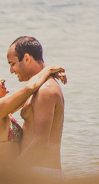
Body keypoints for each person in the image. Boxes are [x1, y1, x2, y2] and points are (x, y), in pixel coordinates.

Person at [0, 62, 64, 172]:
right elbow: (30, 88)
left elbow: (29, 95)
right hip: (3, 180)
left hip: (8, 179)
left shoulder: (1, 112)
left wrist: (49, 77)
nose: (2, 80)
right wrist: (49, 69)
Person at [6, 35, 65, 176]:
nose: (11, 70)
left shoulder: (45, 91)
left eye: (12, 63)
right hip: (37, 173)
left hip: (43, 176)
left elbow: (40, 142)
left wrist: (10, 173)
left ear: (26, 58)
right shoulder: (37, 89)